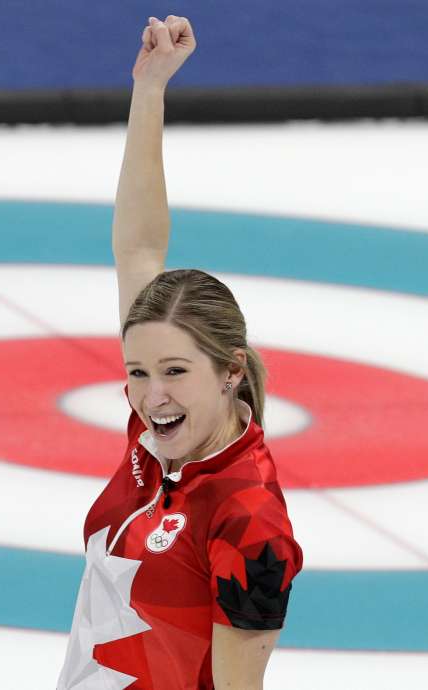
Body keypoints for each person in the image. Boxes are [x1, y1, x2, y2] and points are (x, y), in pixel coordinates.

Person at [55, 15, 304, 690]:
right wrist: (149, 88)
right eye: (137, 372)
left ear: (229, 371)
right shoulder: (158, 439)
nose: (150, 395)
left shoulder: (247, 518)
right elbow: (138, 248)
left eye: (173, 372)